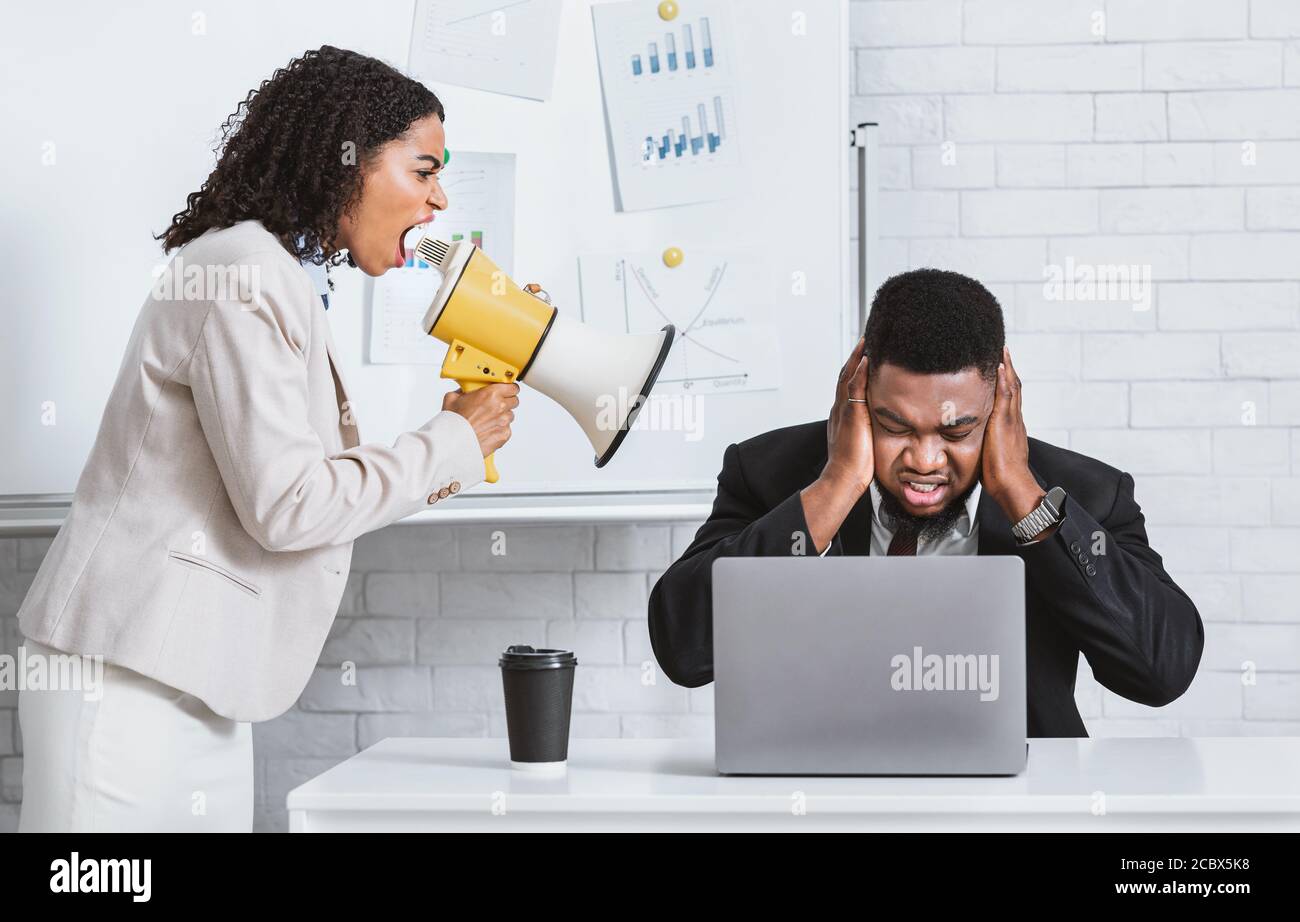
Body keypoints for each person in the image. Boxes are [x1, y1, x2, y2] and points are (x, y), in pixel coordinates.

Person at [16, 46, 519, 831]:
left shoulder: (274, 274)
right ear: (345, 159)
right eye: (423, 171)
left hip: (191, 672)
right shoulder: (243, 274)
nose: (439, 198)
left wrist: (458, 439)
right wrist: (452, 439)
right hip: (124, 677)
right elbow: (288, 503)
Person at [648, 268, 1204, 737]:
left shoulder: (1083, 494)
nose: (925, 461)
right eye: (895, 427)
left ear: (1000, 402)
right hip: (818, 801)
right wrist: (836, 486)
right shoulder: (769, 473)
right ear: (858, 393)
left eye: (957, 432)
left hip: (1016, 811)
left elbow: (1162, 672)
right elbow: (684, 650)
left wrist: (1022, 496)